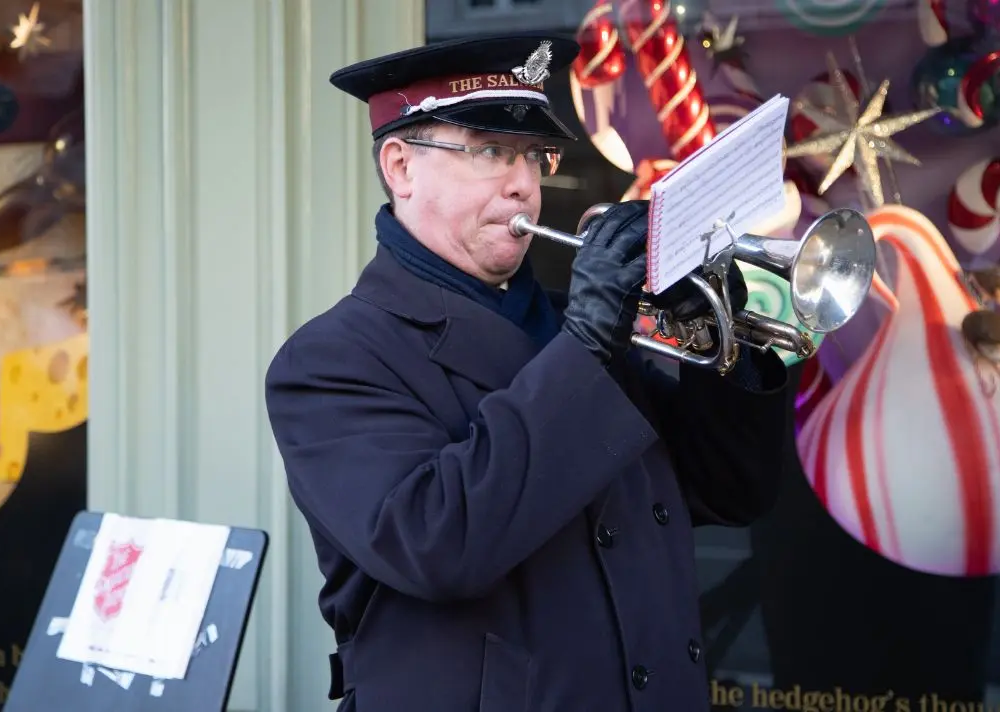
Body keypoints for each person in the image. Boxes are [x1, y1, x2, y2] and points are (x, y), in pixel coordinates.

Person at [265, 31, 791, 712]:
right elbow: (438, 543)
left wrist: (722, 336)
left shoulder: (578, 327)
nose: (524, 183)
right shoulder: (330, 360)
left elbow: (731, 492)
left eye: (532, 157)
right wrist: (588, 345)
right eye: (489, 152)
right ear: (400, 167)